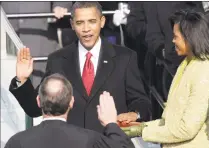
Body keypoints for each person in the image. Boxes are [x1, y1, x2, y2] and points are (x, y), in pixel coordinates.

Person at [9, 2, 151, 133]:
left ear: (102, 22)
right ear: (72, 24)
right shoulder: (58, 60)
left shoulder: (125, 58)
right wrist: (22, 80)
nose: (86, 29)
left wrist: (135, 114)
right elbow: (36, 109)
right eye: (80, 23)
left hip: (110, 142)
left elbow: (141, 101)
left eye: (92, 21)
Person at [122, 10, 209, 148]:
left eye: (175, 37)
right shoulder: (187, 64)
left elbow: (186, 129)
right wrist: (140, 126)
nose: (172, 41)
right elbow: (170, 122)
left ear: (189, 38)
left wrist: (142, 131)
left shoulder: (206, 70)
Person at [5, 74, 135, 148]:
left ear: (38, 101)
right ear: (71, 102)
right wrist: (111, 124)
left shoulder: (17, 142)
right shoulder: (90, 140)